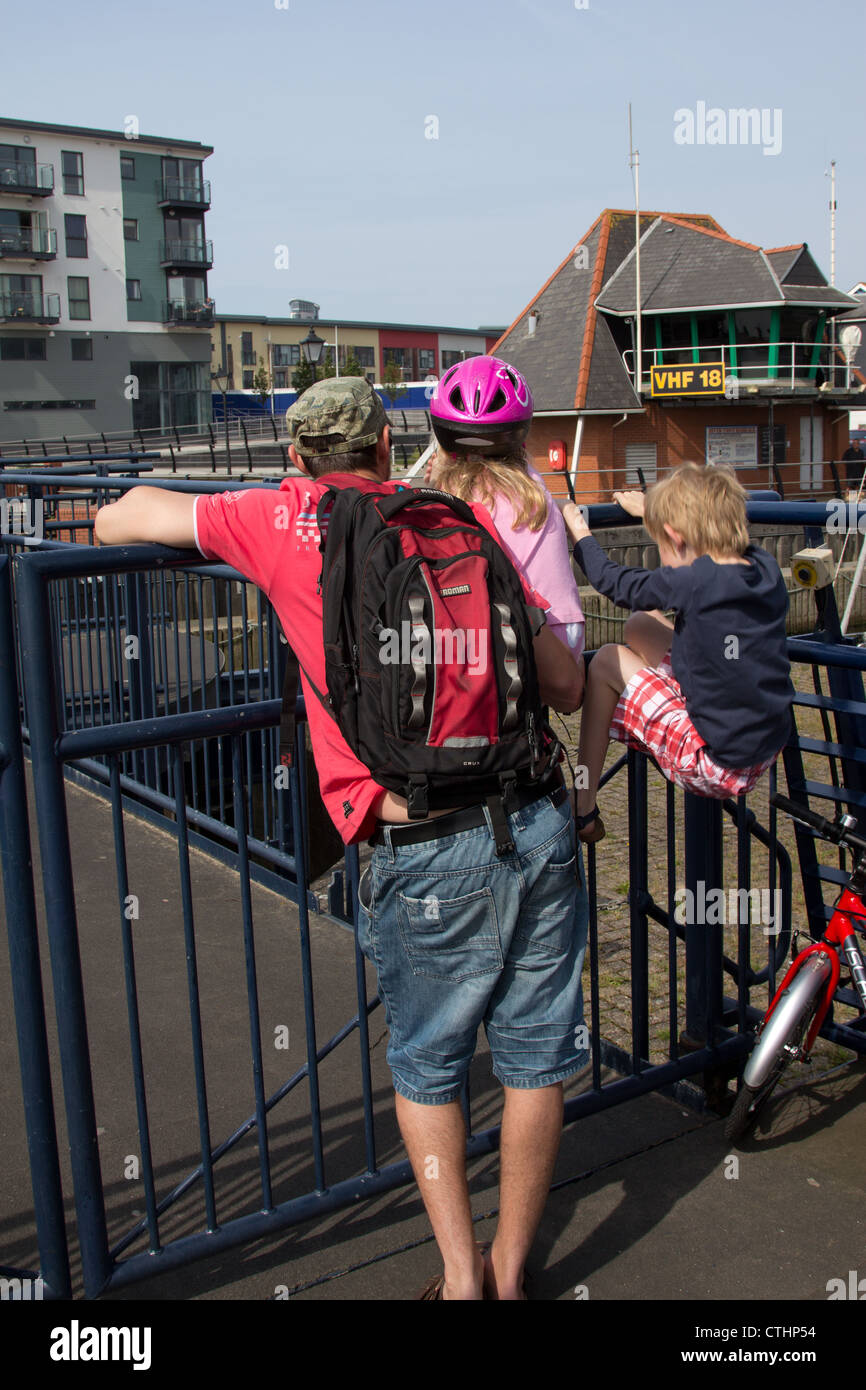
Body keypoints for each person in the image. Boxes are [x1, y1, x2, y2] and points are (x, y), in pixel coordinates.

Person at [94, 376, 589, 1302]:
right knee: (534, 1059)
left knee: (430, 1067)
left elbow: (127, 519)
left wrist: (97, 515)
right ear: (388, 454)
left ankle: (459, 1277)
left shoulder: (280, 522)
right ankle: (514, 1275)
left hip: (421, 840)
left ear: (297, 462)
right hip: (536, 819)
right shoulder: (463, 523)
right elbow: (563, 685)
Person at [559, 463, 795, 843]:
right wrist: (655, 508)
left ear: (675, 536)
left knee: (606, 661)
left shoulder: (694, 582)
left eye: (662, 543)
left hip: (717, 763)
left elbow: (609, 580)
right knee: (639, 623)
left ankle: (583, 804)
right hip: (764, 743)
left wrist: (577, 528)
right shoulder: (761, 565)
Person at [425, 356, 586, 703]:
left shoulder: (428, 506)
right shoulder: (534, 503)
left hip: (441, 695)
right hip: (513, 692)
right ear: (521, 436)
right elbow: (568, 669)